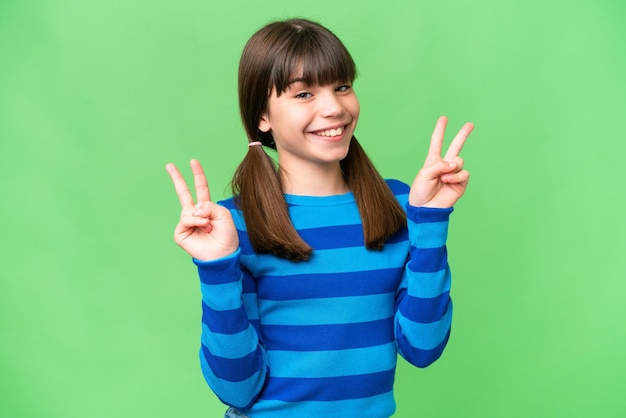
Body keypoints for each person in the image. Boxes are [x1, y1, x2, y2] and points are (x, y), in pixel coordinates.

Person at [166, 18, 473, 418]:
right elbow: (236, 389)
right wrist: (216, 269)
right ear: (263, 116)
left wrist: (431, 221)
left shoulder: (400, 203)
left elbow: (423, 346)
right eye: (305, 93)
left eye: (342, 86)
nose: (334, 108)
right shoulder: (233, 225)